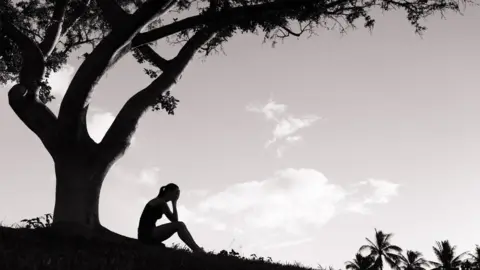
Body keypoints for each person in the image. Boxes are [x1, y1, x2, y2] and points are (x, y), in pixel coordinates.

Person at [137, 183, 204, 253]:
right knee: (180, 225)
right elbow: (175, 220)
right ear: (169, 191)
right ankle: (197, 250)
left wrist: (174, 202)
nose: (177, 195)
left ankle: (197, 249)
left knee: (180, 225)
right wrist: (174, 203)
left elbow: (174, 220)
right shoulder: (160, 202)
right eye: (176, 192)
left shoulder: (160, 202)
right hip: (147, 234)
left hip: (147, 233)